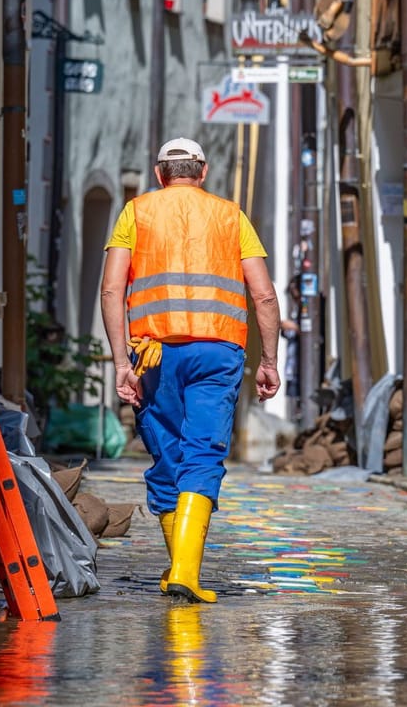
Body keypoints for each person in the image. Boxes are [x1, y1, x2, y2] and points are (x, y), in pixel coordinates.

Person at [99, 137, 281, 603]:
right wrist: (268, 361)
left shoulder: (135, 213)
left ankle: (181, 568)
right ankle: (184, 570)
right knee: (203, 454)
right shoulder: (231, 216)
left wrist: (121, 363)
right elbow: (263, 294)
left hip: (155, 353)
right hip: (217, 354)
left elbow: (111, 291)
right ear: (202, 172)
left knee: (167, 459)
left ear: (160, 174)